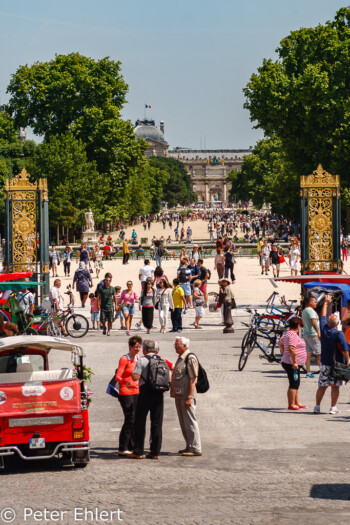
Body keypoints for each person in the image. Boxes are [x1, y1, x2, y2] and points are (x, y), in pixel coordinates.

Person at [130, 340, 172, 459]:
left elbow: (135, 376)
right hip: (159, 393)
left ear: (144, 349)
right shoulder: (162, 360)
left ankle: (138, 451)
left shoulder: (142, 360)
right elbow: (168, 377)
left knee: (140, 422)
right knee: (157, 423)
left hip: (145, 392)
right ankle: (155, 451)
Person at [314, 294, 350, 414]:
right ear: (337, 323)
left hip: (324, 363)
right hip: (336, 364)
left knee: (322, 386)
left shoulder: (324, 329)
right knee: (335, 386)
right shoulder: (338, 334)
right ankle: (333, 407)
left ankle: (317, 406)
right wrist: (348, 361)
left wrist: (326, 302)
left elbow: (322, 316)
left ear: (329, 322)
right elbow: (345, 349)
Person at [170, 337, 202, 456]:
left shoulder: (190, 358)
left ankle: (196, 447)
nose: (175, 346)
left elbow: (193, 379)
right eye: (175, 344)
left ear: (185, 346)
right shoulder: (181, 358)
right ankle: (189, 445)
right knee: (183, 421)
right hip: (179, 395)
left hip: (186, 395)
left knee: (190, 421)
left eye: (177, 344)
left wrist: (190, 397)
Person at [115, 336, 142, 455]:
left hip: (137, 391)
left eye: (139, 346)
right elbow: (118, 376)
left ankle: (131, 445)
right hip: (125, 391)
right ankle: (122, 447)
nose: (138, 348)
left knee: (135, 419)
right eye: (135, 346)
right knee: (129, 418)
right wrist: (126, 383)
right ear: (130, 346)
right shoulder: (124, 359)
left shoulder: (138, 358)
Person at [278, 318, 307, 410]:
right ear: (298, 326)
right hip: (291, 363)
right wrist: (294, 362)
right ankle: (291, 404)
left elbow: (280, 343)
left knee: (296, 382)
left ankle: (296, 402)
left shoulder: (287, 333)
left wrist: (284, 352)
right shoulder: (293, 335)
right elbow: (291, 348)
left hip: (290, 362)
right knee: (293, 383)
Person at [302, 296, 321, 378]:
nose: (316, 303)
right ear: (310, 302)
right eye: (315, 301)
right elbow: (313, 321)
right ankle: (323, 371)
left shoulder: (305, 310)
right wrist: (318, 332)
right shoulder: (310, 311)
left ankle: (308, 372)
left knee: (308, 354)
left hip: (306, 334)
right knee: (319, 354)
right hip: (313, 335)